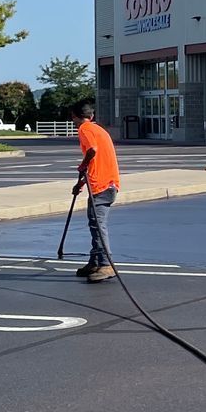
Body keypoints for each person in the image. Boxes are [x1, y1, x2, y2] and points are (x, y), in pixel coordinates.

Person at [73, 101, 121, 283]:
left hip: (102, 186)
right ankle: (94, 261)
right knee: (95, 223)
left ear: (74, 116)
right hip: (106, 183)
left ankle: (105, 264)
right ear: (91, 116)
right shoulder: (99, 130)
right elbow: (98, 161)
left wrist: (82, 164)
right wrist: (82, 182)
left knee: (98, 226)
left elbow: (92, 151)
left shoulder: (84, 129)